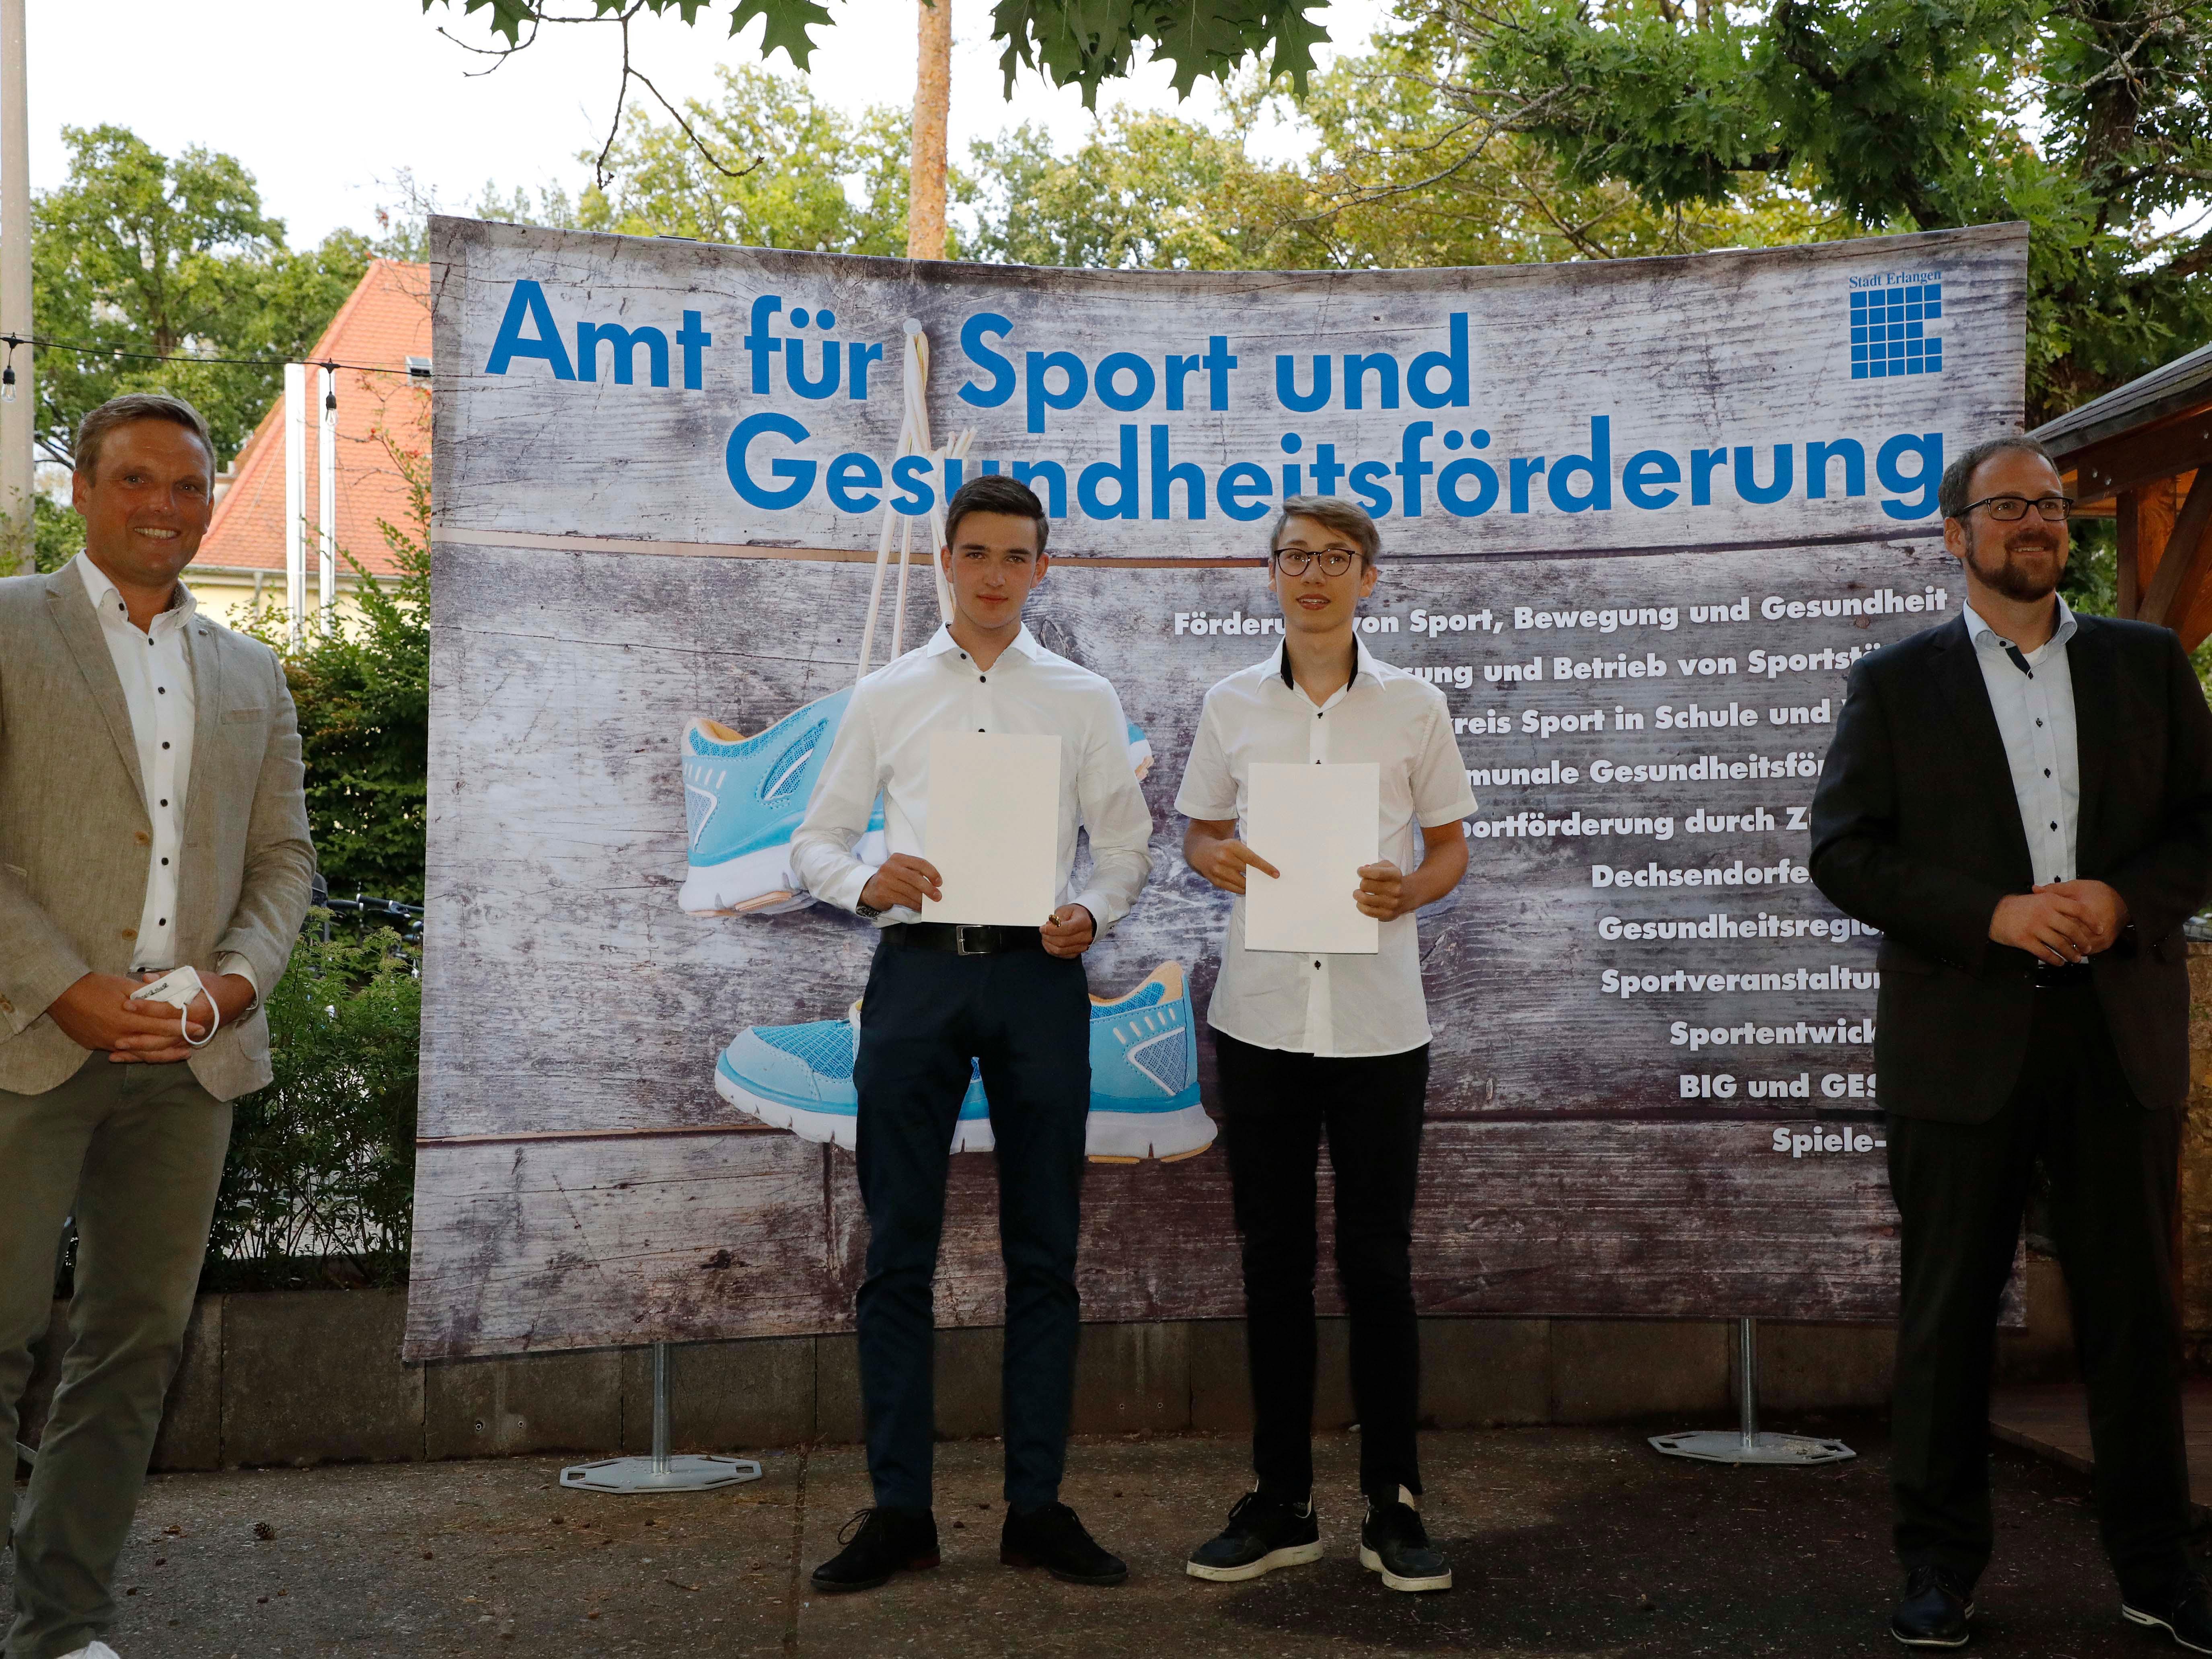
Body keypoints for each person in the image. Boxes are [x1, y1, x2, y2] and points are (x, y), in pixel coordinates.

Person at [1809, 435, 2212, 1652]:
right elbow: (1842, 850)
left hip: (2116, 1042)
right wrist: (1989, 914)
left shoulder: (2147, 667)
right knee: (1943, 1317)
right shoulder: (1895, 683)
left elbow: (2205, 826)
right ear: (1955, 535)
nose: (2037, 522)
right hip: (1959, 1046)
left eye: (2051, 505)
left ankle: (2159, 1572)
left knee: (2135, 1319)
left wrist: (2124, 899)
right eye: (2008, 507)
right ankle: (1937, 1569)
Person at [790, 474, 1153, 1593]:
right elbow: (814, 842)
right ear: (945, 560)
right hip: (914, 981)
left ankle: (1036, 1509)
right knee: (898, 1252)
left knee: (1045, 1253)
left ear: (1043, 570)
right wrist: (864, 880)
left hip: (1037, 983)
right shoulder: (887, 694)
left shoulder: (1082, 698)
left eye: (1016, 557)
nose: (995, 575)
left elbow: (1127, 847)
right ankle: (900, 1511)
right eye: (977, 553)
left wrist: (1091, 911)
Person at [0, 393, 315, 1659]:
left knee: (134, 1352)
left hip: (191, 1062)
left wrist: (232, 983)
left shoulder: (250, 670)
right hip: (30, 1040)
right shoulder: (10, 630)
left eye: (186, 488)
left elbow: (285, 863)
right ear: (80, 490)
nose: (163, 508)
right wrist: (65, 985)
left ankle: (61, 1625)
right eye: (135, 481)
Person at [1173, 496, 1474, 1594]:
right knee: (1272, 1264)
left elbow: (1448, 848)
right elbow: (1202, 829)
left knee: (1378, 1265)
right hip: (1259, 1019)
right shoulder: (1231, 703)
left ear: (1368, 579)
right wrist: (1213, 856)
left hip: (1378, 1027)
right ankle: (1280, 1501)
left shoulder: (1412, 706)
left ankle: (1392, 1504)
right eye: (1294, 557)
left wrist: (1412, 888)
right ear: (1270, 575)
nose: (1312, 575)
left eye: (1334, 559)